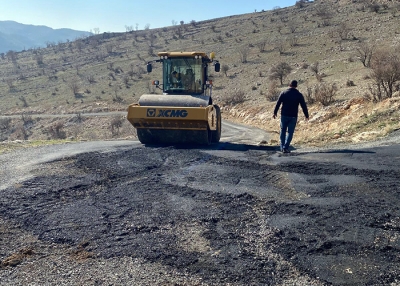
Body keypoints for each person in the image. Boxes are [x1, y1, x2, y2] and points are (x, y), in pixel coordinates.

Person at [273, 80, 309, 153]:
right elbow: (303, 106)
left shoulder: (283, 93)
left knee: (283, 130)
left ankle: (282, 146)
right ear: (296, 86)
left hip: (284, 115)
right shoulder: (299, 94)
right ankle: (286, 147)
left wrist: (275, 112)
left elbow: (278, 103)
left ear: (290, 84)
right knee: (290, 132)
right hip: (293, 116)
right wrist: (306, 115)